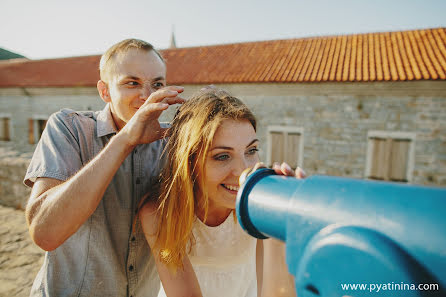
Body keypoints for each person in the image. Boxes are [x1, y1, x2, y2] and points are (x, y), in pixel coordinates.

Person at [23, 39, 186, 296]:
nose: (147, 95)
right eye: (132, 83)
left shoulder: (171, 143)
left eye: (157, 84)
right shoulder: (69, 128)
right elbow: (45, 233)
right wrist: (125, 139)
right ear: (105, 91)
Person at [139, 88, 305, 297]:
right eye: (222, 156)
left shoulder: (258, 202)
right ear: (189, 161)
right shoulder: (159, 213)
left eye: (251, 150)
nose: (243, 170)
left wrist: (278, 223)